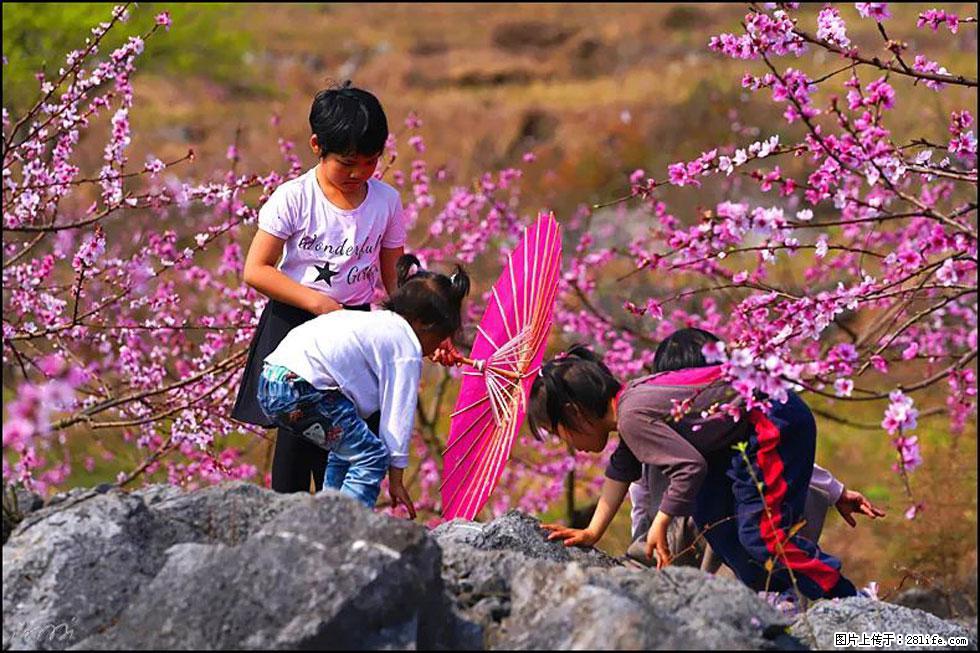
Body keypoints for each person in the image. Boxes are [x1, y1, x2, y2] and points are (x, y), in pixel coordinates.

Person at [528, 334, 876, 601]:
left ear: (574, 413)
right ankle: (771, 593)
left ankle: (847, 599)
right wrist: (592, 532)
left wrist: (660, 522)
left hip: (772, 420)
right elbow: (620, 472)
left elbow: (689, 467)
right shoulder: (631, 407)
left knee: (764, 537)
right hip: (750, 431)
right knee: (716, 521)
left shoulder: (632, 415)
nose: (566, 444)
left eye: (558, 433)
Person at [233, 80, 455, 493]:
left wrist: (428, 330)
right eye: (347, 163)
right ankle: (285, 514)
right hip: (297, 319)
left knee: (350, 431)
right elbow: (256, 270)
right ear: (317, 146)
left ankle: (341, 513)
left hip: (354, 327)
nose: (359, 173)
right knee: (297, 437)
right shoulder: (294, 198)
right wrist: (317, 303)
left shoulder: (386, 202)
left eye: (370, 162)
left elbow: (395, 278)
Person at [622, 329, 884, 572]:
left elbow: (776, 464)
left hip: (724, 529)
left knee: (788, 491)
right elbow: (641, 494)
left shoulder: (730, 420)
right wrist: (642, 542)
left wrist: (836, 491)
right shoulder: (656, 432)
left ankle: (779, 582)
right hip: (679, 536)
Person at [256, 254, 469, 517]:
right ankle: (347, 525)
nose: (437, 346)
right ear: (423, 323)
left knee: (348, 450)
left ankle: (330, 513)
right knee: (371, 457)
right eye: (440, 337)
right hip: (301, 387)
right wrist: (396, 477)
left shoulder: (374, 322)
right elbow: (397, 417)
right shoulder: (406, 345)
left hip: (271, 379)